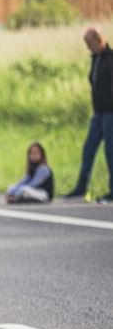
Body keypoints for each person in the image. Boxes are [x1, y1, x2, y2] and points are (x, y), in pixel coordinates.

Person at [64, 27, 113, 204]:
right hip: (98, 112)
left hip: (110, 112)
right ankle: (81, 188)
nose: (88, 48)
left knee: (110, 151)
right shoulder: (95, 59)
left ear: (99, 40)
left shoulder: (110, 58)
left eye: (89, 44)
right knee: (88, 149)